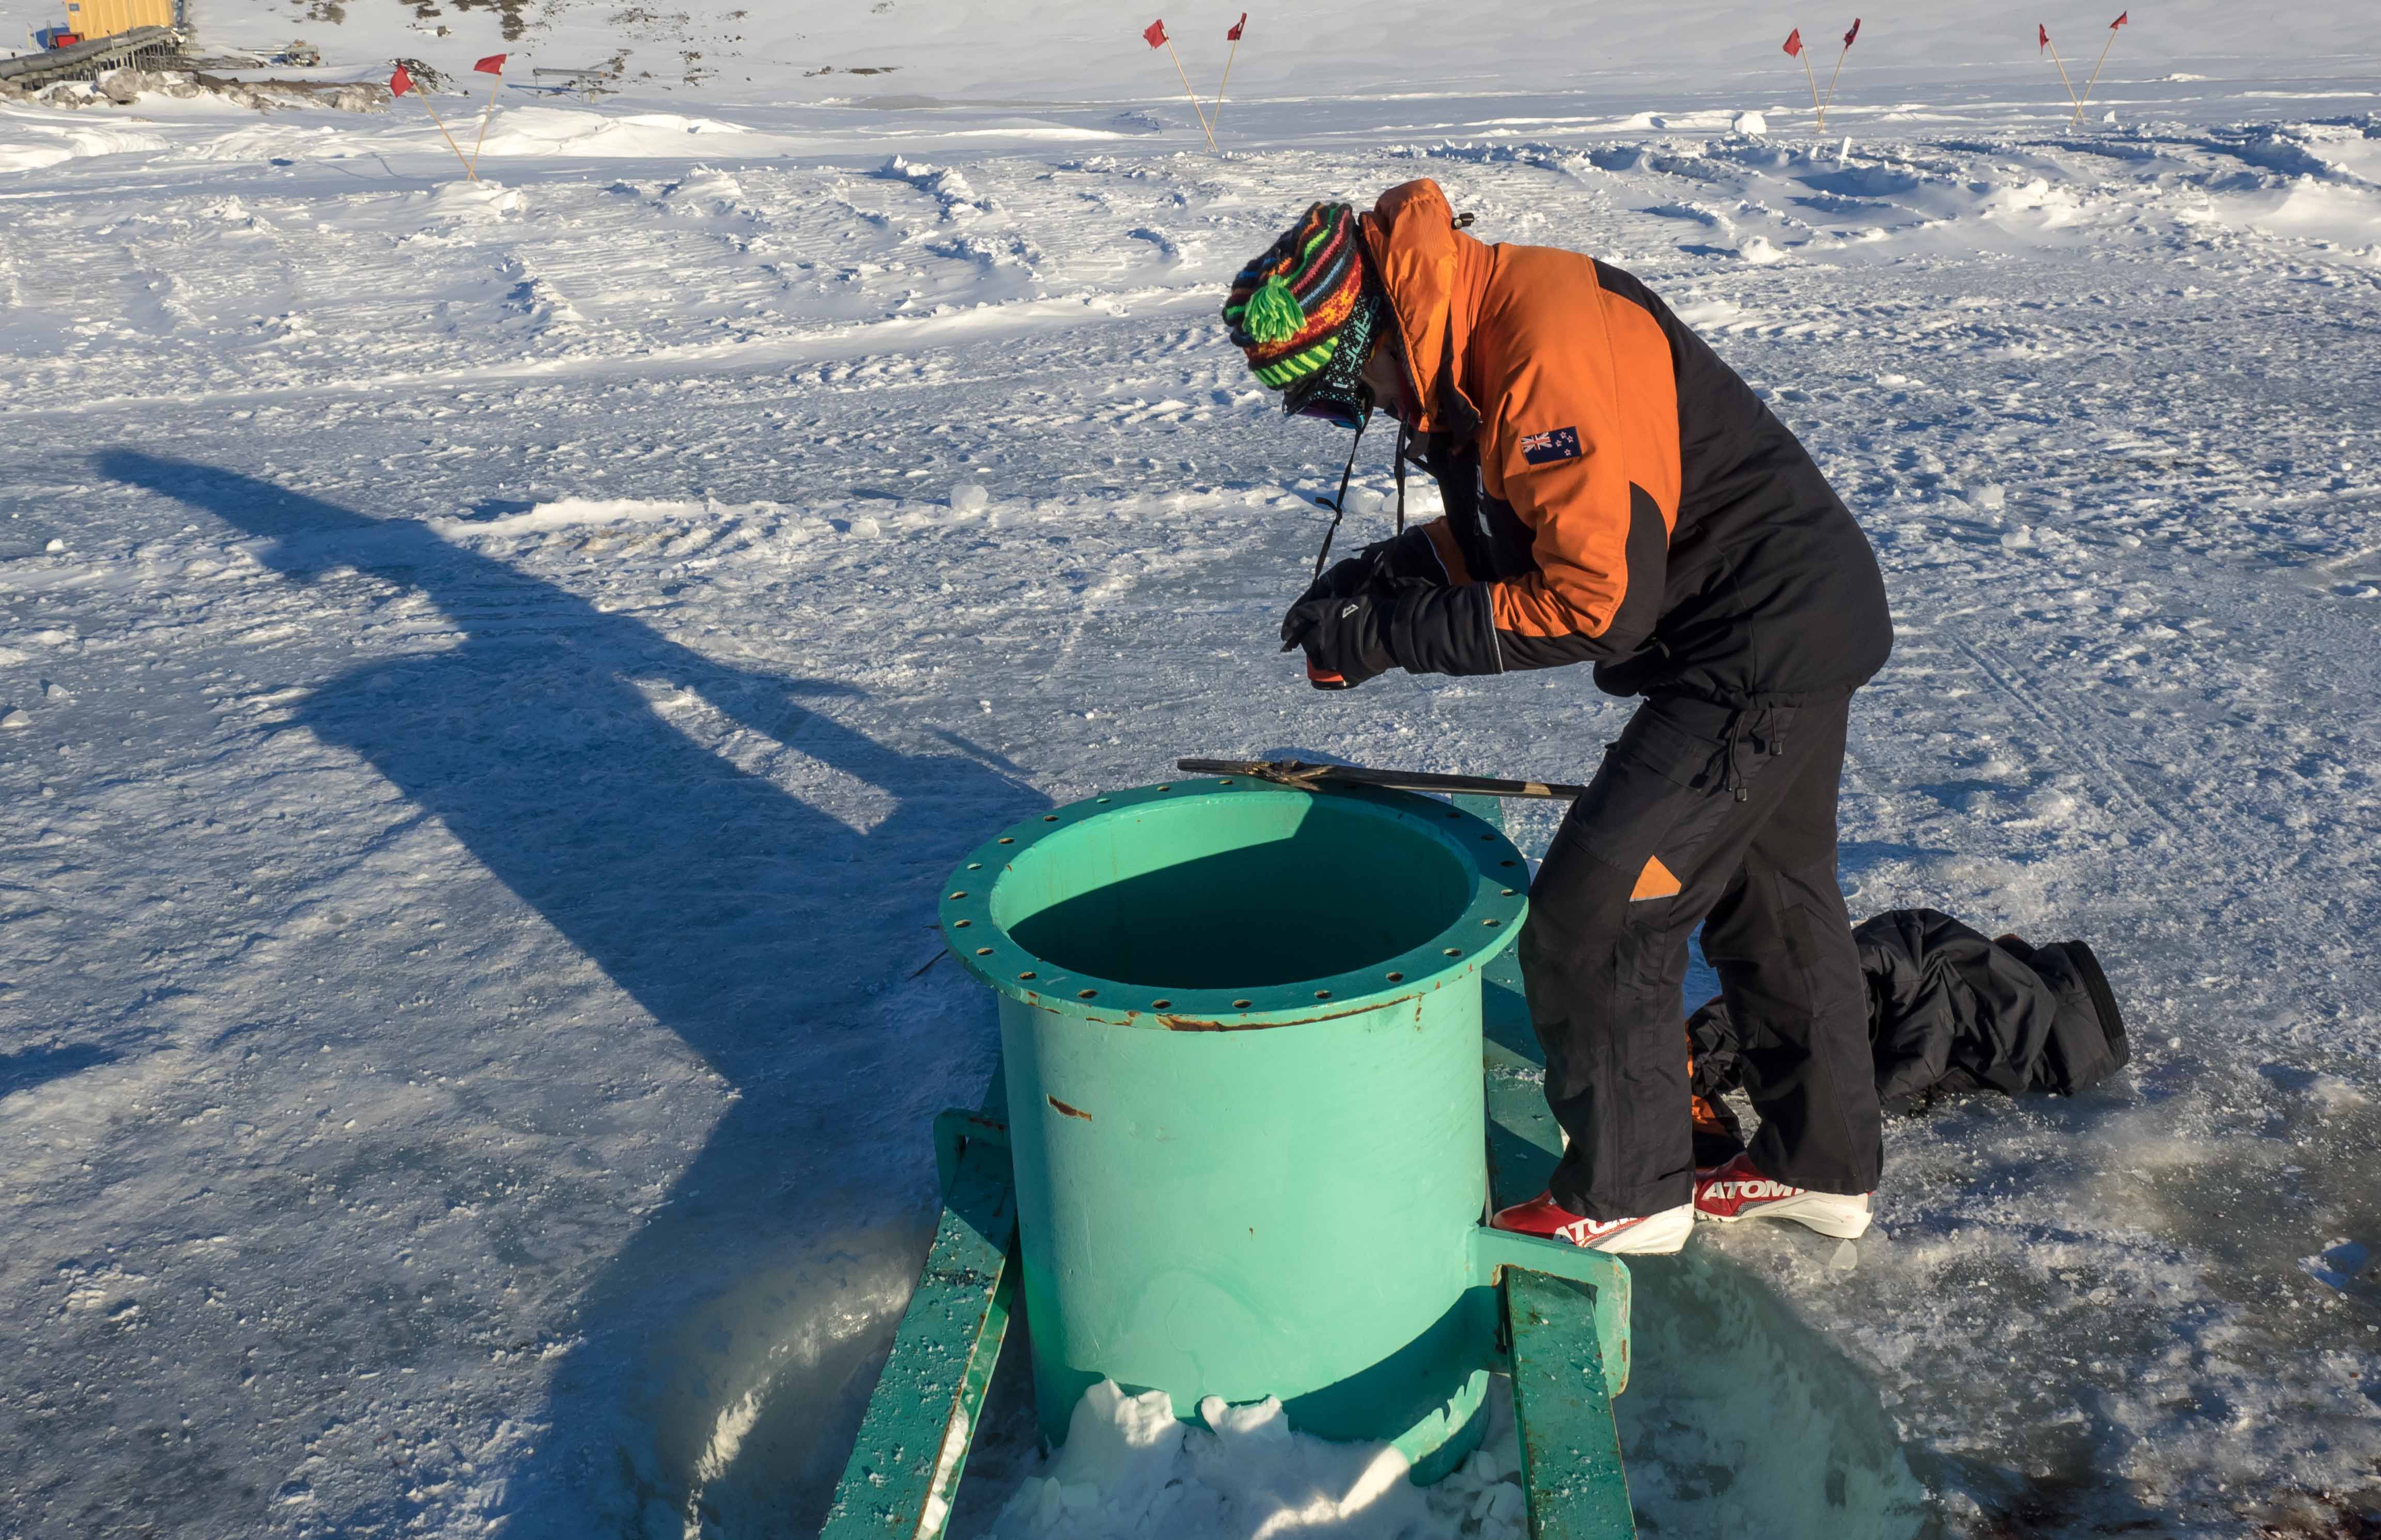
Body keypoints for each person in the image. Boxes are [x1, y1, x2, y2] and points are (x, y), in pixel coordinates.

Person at [1224, 181, 1894, 1253]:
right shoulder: (1476, 332)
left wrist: (1389, 636)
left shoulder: (1536, 346)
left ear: (1379, 327)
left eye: (1349, 389)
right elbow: (1514, 528)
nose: (1367, 414)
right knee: (1772, 902)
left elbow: (1594, 600)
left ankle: (1628, 1194)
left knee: (1599, 916)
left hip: (1752, 651)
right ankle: (1821, 1170)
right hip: (1789, 621)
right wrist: (1379, 579)